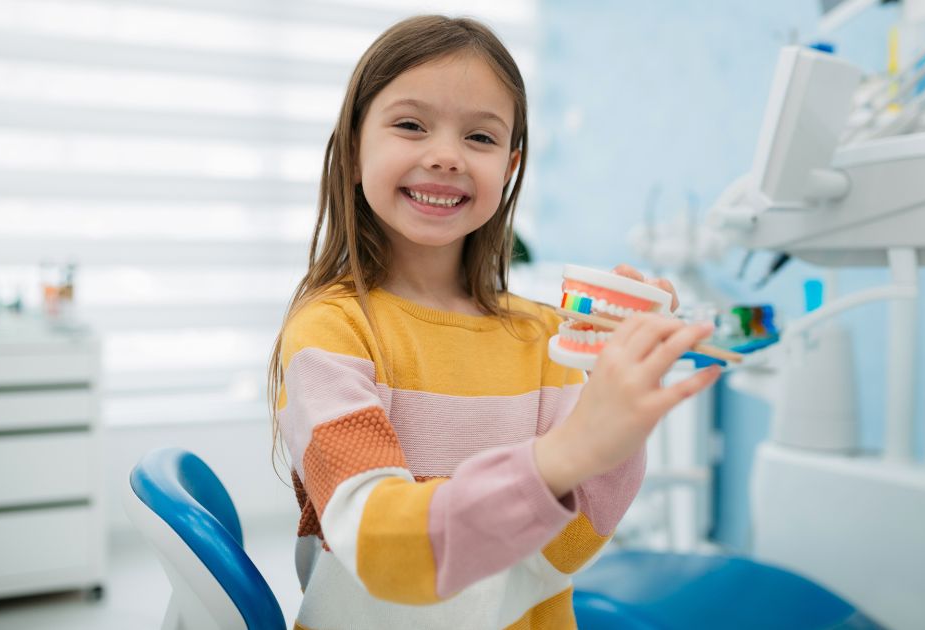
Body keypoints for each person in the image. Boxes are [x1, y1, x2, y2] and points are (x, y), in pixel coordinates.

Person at [267, 15, 721, 630]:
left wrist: (621, 409)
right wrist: (566, 452)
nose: (447, 156)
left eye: (480, 138)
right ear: (353, 151)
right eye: (410, 125)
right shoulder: (331, 333)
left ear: (508, 169)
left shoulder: (539, 338)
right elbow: (377, 545)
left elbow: (566, 547)